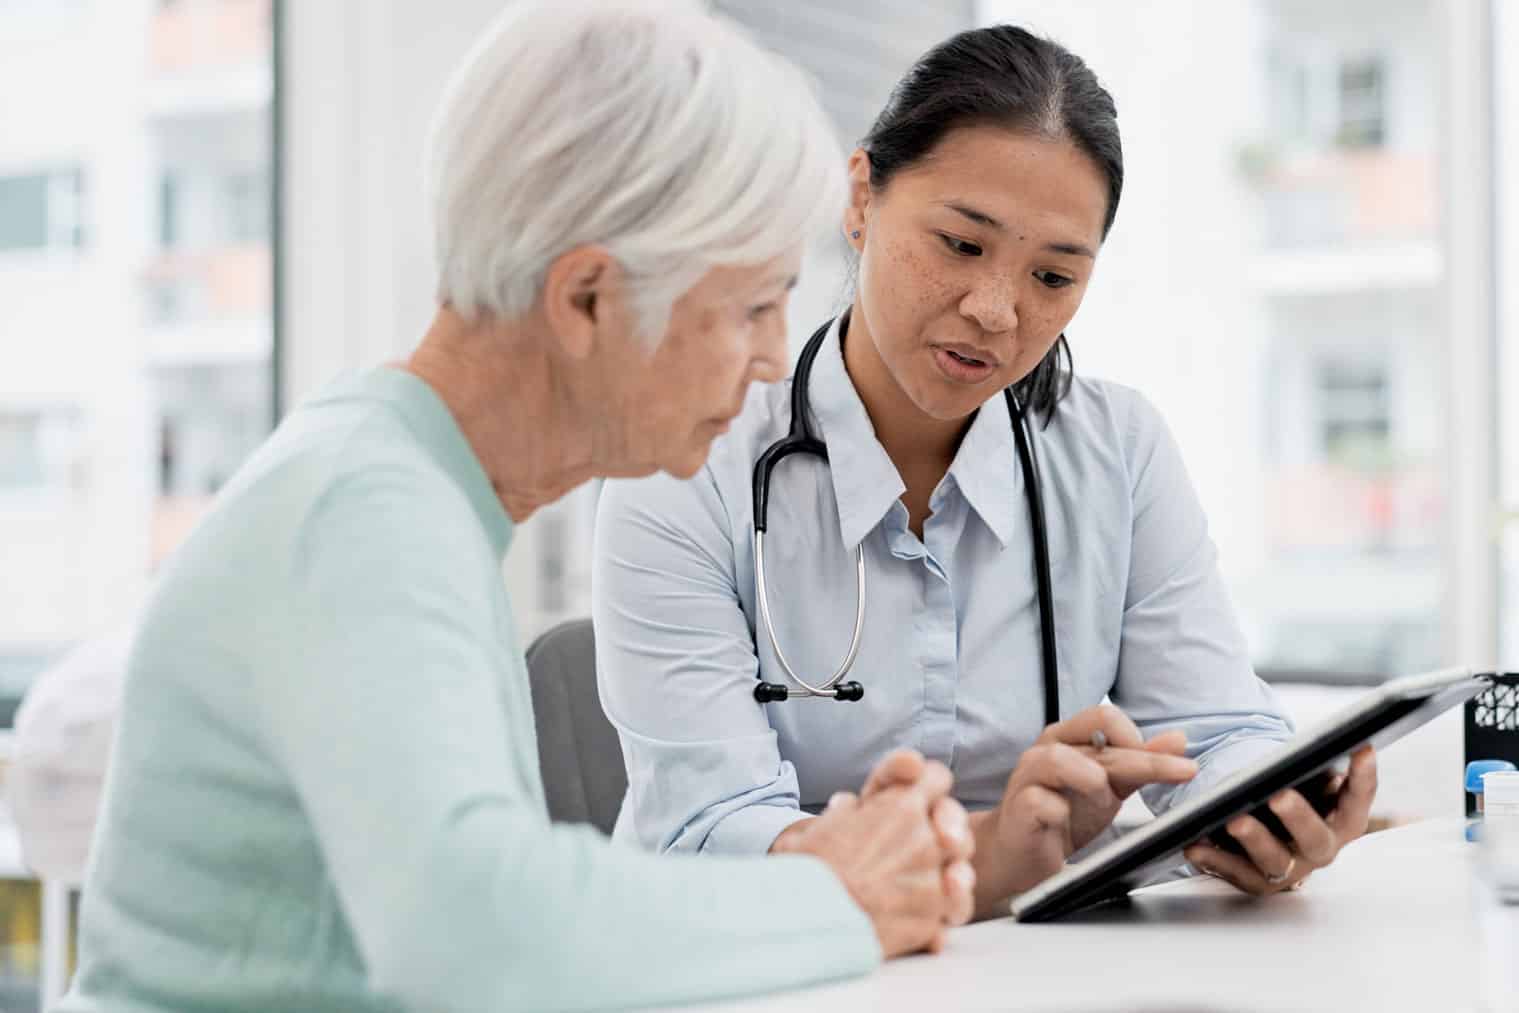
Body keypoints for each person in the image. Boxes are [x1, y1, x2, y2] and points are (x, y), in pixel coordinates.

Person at [60, 4, 975, 1011]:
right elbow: (478, 929)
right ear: (586, 298)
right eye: (752, 305)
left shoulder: (399, 488)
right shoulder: (367, 518)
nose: (772, 357)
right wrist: (838, 891)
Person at [593, 24, 1380, 918]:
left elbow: (1218, 730)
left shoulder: (1117, 450)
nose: (997, 312)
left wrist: (1266, 806)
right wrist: (992, 852)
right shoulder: (689, 462)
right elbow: (709, 832)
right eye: (962, 246)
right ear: (861, 198)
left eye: (1053, 276)